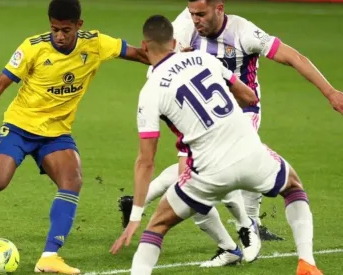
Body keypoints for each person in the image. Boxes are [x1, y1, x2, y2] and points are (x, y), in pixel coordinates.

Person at [118, 0, 343, 266]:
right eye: (192, 14)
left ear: (219, 9)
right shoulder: (187, 26)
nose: (195, 19)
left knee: (218, 164)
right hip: (199, 116)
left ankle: (249, 223)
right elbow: (157, 56)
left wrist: (330, 92)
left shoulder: (243, 32)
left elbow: (292, 57)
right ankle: (232, 242)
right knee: (190, 174)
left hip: (241, 111)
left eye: (201, 14)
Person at [0, 0, 149, 273]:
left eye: (66, 30)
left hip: (56, 133)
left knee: (72, 180)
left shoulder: (95, 43)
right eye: (54, 29)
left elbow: (138, 54)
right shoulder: (33, 47)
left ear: (78, 26)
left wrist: (172, 59)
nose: (59, 36)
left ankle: (49, 256)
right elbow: (0, 82)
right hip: (19, 127)